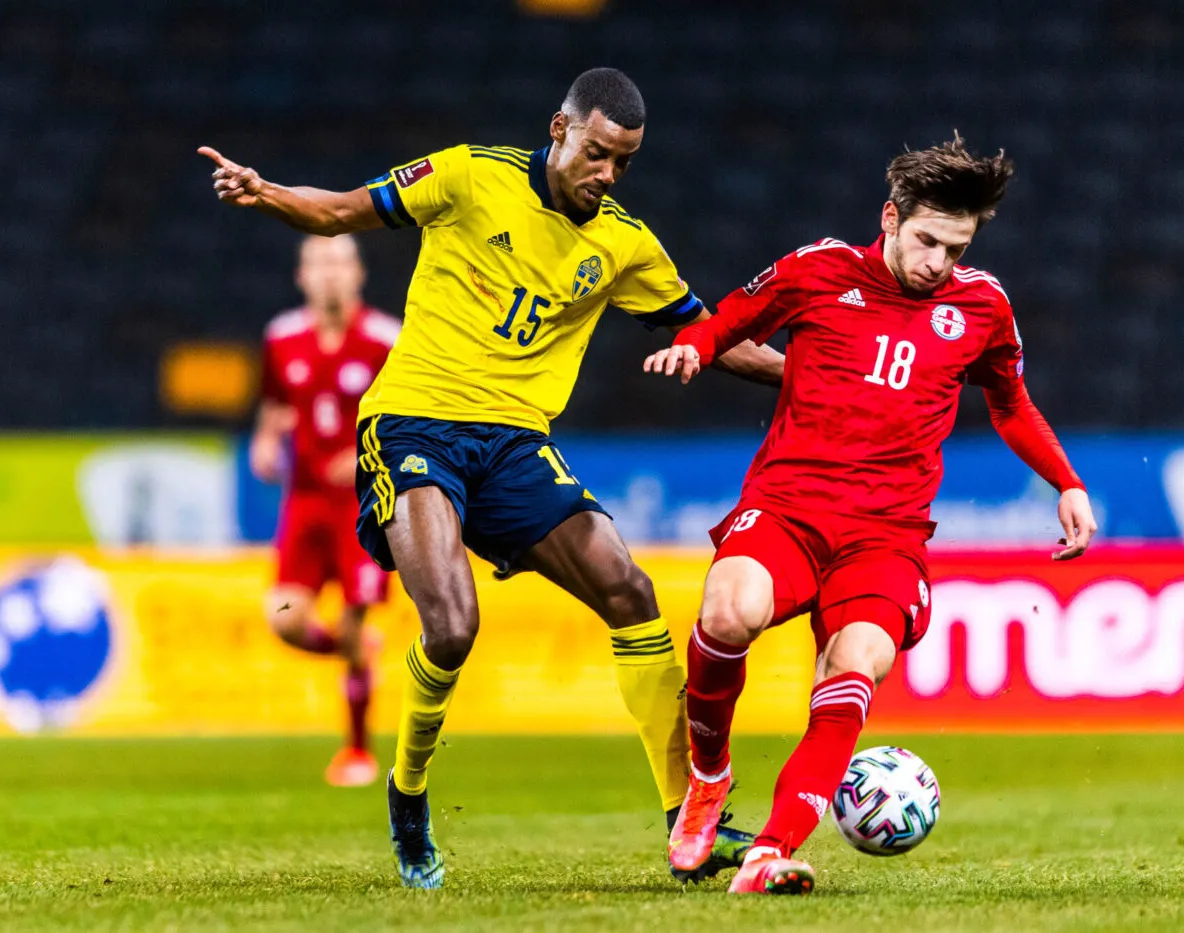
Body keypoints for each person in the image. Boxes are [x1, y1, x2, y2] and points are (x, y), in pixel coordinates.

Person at [200, 67, 784, 888]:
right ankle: (407, 792)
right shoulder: (470, 176)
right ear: (560, 128)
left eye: (623, 161)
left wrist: (808, 378)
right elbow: (339, 212)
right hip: (414, 423)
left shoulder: (623, 243)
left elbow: (713, 332)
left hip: (514, 444)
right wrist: (264, 193)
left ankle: (691, 818)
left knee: (629, 587)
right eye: (596, 153)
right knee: (452, 625)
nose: (607, 174)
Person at [645, 134, 1098, 895]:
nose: (936, 262)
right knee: (728, 612)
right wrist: (692, 345)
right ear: (889, 218)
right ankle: (708, 777)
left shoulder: (982, 305)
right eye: (925, 240)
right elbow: (728, 319)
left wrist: (1067, 481)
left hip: (886, 535)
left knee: (854, 665)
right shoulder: (818, 269)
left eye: (954, 248)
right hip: (788, 505)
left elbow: (1010, 403)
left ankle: (769, 851)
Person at [252, 234, 398, 788]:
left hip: (364, 504)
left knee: (355, 615)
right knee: (284, 621)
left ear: (358, 273)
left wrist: (364, 455)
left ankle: (357, 751)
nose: (331, 274)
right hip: (305, 503)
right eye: (319, 264)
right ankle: (353, 651)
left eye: (340, 263)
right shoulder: (282, 337)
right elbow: (275, 403)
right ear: (301, 276)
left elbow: (411, 417)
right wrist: (265, 441)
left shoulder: (387, 340)